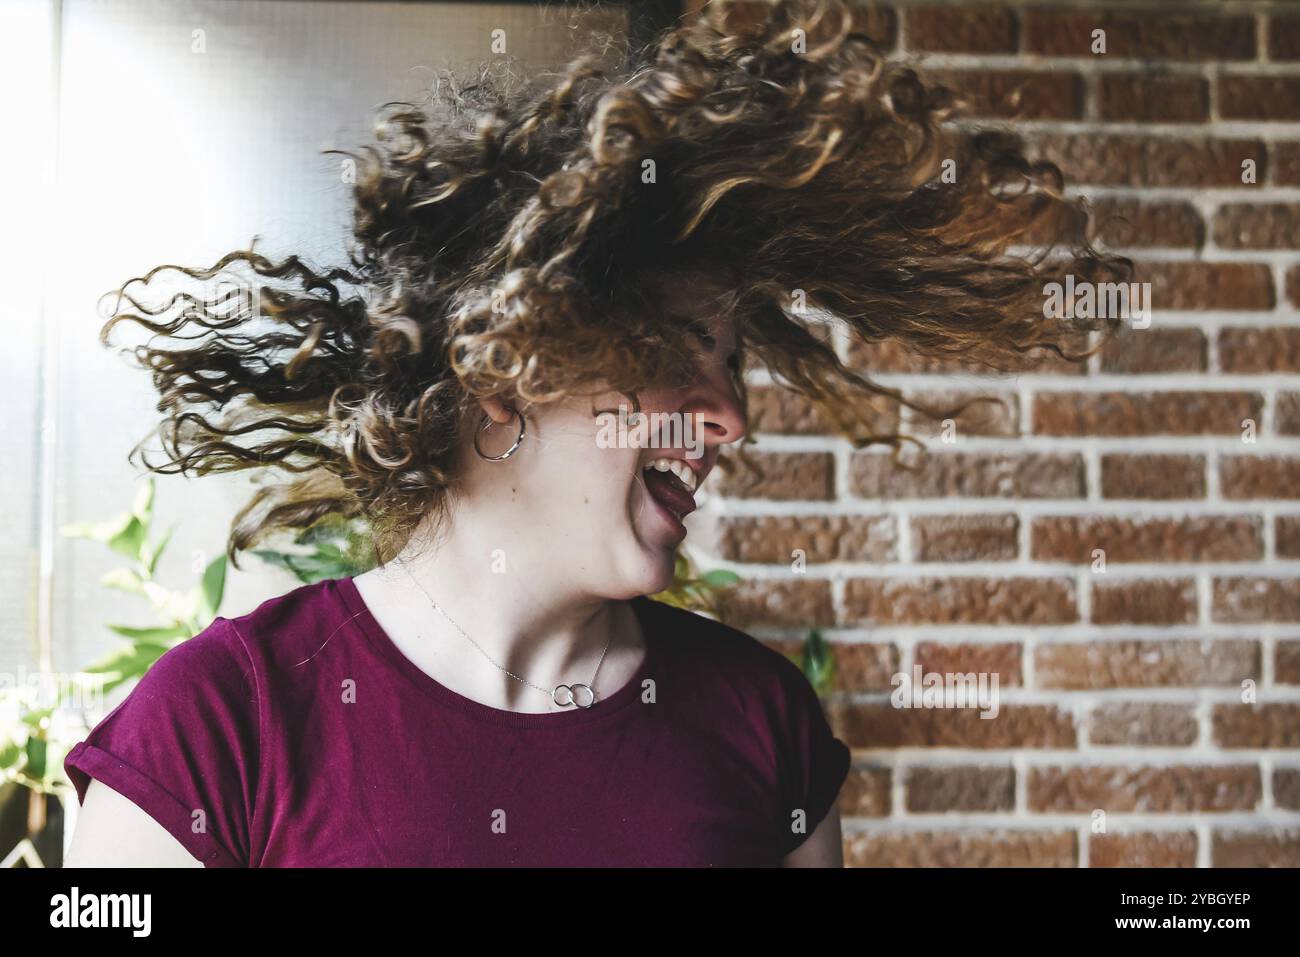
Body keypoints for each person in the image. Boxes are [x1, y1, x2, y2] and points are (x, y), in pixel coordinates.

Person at [62, 0, 1126, 867]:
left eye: (730, 363)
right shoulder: (214, 732)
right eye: (673, 353)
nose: (730, 419)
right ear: (502, 375)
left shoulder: (762, 726)